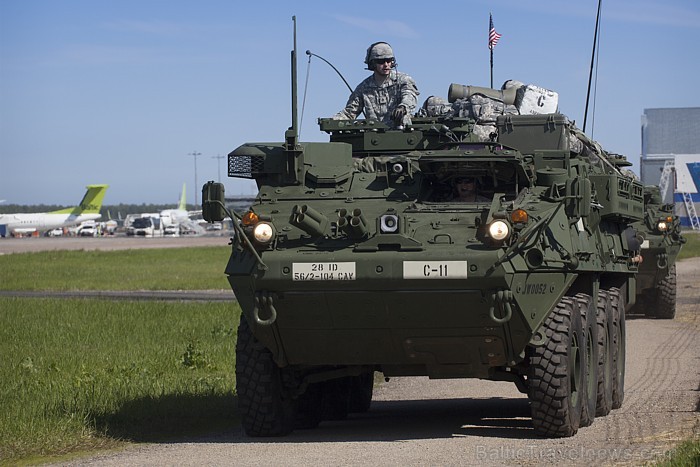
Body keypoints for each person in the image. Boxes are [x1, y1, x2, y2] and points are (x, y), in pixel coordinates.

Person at [333, 42, 419, 128]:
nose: (386, 64)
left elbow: (409, 96)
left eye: (389, 61)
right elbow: (350, 113)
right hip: (374, 137)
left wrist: (403, 107)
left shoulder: (403, 80)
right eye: (381, 61)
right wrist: (333, 121)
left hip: (401, 134)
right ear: (372, 63)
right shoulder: (364, 88)